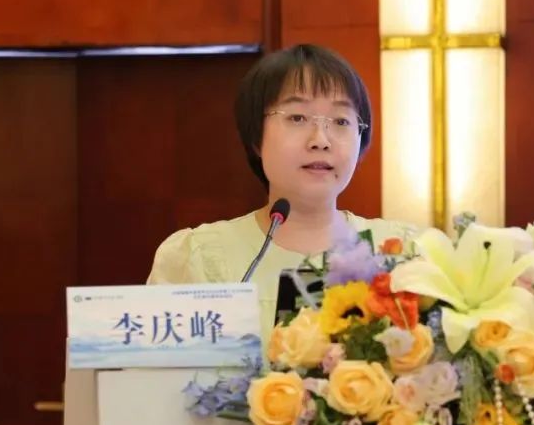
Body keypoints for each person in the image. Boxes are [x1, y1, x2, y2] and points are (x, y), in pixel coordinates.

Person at [147, 44, 417, 343]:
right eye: (297, 118)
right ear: (256, 138)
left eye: (341, 121)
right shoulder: (198, 258)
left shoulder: (402, 252)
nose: (321, 140)